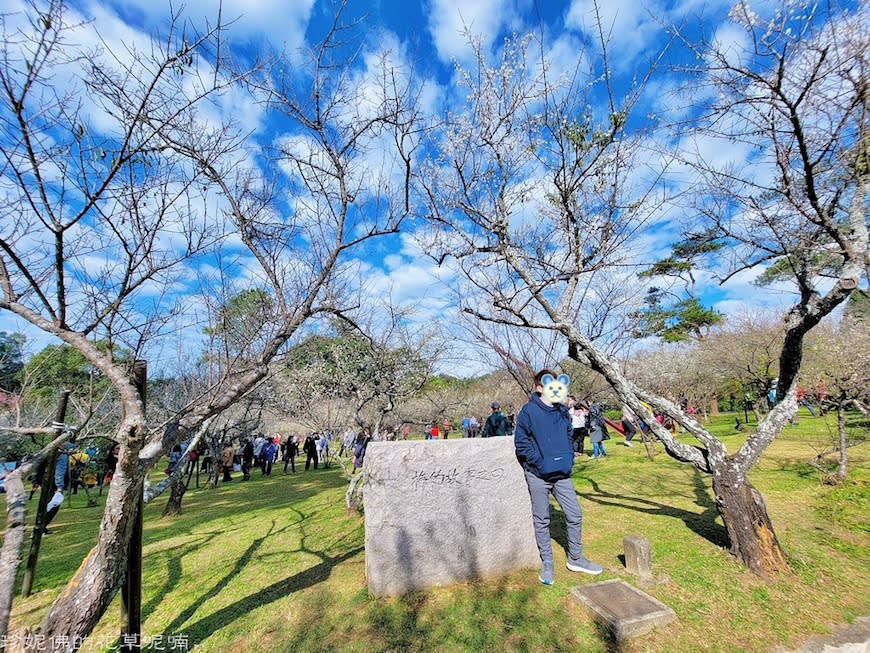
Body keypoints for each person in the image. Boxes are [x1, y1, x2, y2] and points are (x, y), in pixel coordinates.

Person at [514, 369, 603, 585]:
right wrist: (540, 461)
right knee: (542, 519)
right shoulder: (528, 411)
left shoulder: (563, 411)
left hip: (562, 474)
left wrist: (568, 458)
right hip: (538, 475)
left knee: (575, 515)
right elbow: (521, 442)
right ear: (540, 387)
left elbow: (568, 434)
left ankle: (576, 558)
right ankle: (547, 563)